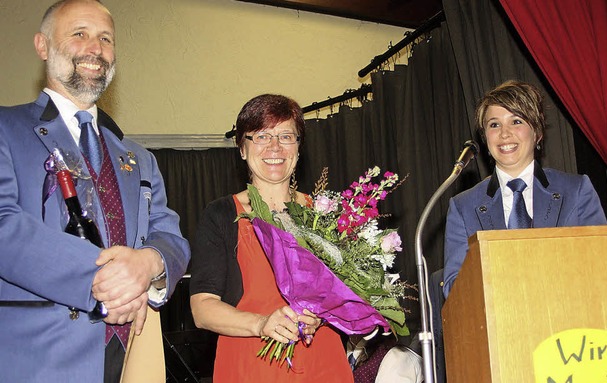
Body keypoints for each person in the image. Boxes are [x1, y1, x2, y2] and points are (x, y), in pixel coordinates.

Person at [0, 1, 190, 382]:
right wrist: (110, 280)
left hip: (132, 357)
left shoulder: (138, 156)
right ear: (42, 46)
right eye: (79, 34)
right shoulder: (5, 128)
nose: (95, 48)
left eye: (106, 38)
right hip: (38, 360)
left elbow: (170, 236)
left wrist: (149, 263)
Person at [190, 94, 353, 382]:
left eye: (286, 136)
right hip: (250, 365)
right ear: (242, 148)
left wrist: (325, 314)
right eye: (262, 136)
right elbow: (203, 309)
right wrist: (262, 323)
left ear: (299, 148)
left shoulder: (325, 214)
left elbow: (351, 296)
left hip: (323, 364)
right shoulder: (220, 215)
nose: (275, 147)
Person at [442, 80, 607, 298]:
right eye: (494, 124)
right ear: (485, 138)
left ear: (537, 133)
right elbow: (454, 288)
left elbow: (602, 262)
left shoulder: (576, 191)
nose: (504, 133)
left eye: (516, 121)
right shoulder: (463, 207)